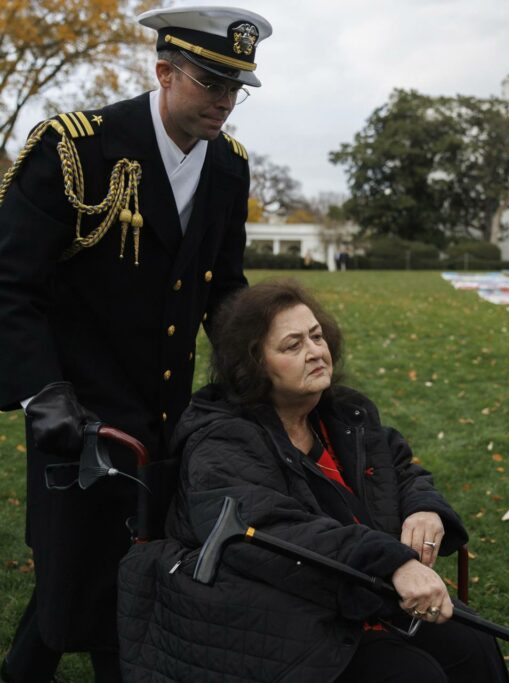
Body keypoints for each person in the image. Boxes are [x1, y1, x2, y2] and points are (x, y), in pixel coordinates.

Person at [0, 7, 272, 681]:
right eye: (211, 83)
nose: (225, 101)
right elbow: (11, 284)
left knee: (125, 573)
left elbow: (224, 287)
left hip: (168, 414)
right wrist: (42, 392)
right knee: (76, 573)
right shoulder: (75, 149)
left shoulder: (228, 166)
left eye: (236, 88)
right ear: (163, 72)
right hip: (76, 412)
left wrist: (260, 370)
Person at [118, 281, 509, 682]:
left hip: (362, 591)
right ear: (253, 364)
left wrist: (423, 508)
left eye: (317, 336)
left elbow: (399, 468)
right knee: (411, 675)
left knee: (471, 642)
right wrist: (389, 562)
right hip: (275, 614)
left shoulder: (343, 412)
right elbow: (271, 532)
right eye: (293, 345)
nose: (315, 352)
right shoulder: (222, 439)